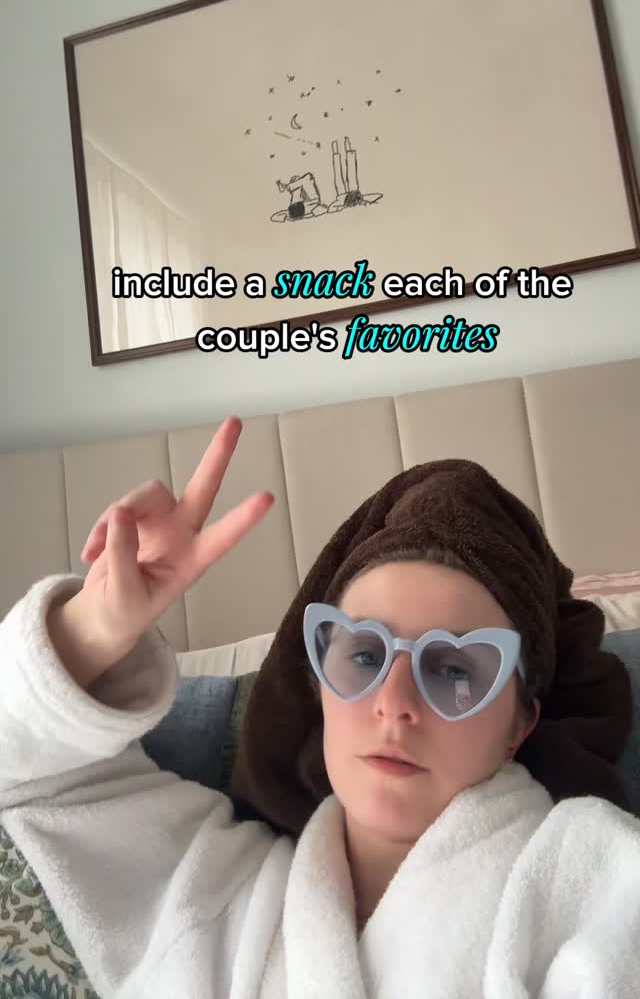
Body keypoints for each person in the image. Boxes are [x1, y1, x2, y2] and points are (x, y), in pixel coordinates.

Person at [0, 417, 638, 998]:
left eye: (452, 670)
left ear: (519, 724)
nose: (394, 703)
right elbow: (32, 775)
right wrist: (91, 631)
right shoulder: (215, 893)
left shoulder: (597, 887)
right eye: (364, 655)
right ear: (319, 687)